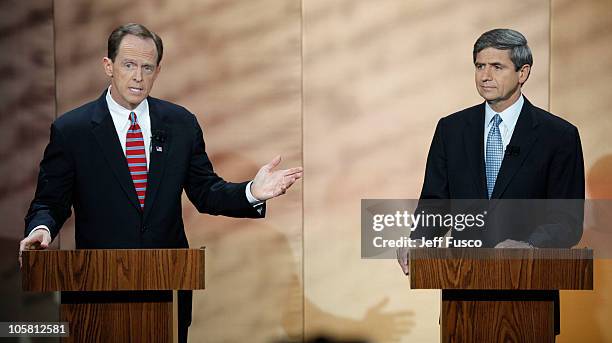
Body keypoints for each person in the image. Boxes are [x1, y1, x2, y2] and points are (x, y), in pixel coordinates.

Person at [19, 23, 302, 342]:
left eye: (147, 67)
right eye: (128, 65)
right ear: (108, 66)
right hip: (97, 294)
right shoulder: (73, 130)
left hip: (166, 290)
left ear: (157, 71)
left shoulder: (181, 124)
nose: (138, 76)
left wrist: (252, 191)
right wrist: (40, 231)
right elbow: (49, 202)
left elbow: (206, 192)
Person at [397, 28, 585, 335]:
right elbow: (436, 202)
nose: (485, 75)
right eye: (479, 66)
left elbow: (567, 219)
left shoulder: (559, 136)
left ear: (523, 72)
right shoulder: (451, 130)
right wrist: (419, 238)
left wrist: (530, 245)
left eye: (497, 67)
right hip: (463, 298)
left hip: (530, 298)